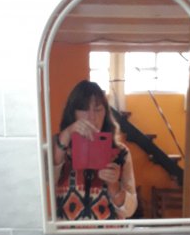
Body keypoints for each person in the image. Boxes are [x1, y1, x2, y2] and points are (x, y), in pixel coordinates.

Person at [53, 80, 138, 221]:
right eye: (84, 109)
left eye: (98, 109)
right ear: (73, 112)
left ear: (105, 113)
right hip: (67, 234)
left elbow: (129, 211)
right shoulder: (58, 145)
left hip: (108, 234)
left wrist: (114, 187)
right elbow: (46, 185)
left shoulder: (121, 153)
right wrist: (66, 135)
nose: (92, 117)